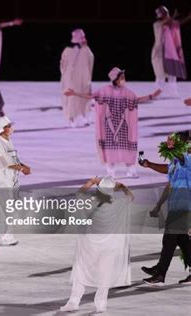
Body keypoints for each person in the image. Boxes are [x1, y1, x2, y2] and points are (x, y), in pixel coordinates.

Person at [65, 67, 161, 178]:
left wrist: (152, 96)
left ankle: (131, 169)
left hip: (123, 125)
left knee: (126, 147)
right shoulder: (105, 91)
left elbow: (136, 100)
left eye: (124, 78)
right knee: (110, 148)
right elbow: (92, 96)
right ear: (115, 79)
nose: (124, 80)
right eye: (122, 78)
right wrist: (75, 93)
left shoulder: (127, 92)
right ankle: (110, 172)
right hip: (109, 125)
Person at [61, 176, 133, 313]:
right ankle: (101, 304)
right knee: (104, 275)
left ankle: (74, 301)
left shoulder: (90, 202)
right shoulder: (118, 203)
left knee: (80, 272)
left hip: (90, 245)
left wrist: (91, 182)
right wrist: (123, 186)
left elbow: (79, 193)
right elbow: (131, 196)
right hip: (109, 246)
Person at [139, 132, 191, 285]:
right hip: (176, 205)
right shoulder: (177, 159)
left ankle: (160, 273)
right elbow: (168, 170)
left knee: (169, 239)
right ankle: (160, 271)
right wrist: (149, 165)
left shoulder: (187, 158)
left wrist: (174, 148)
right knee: (182, 240)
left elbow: (182, 160)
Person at [0, 116, 31, 246]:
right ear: (3, 129)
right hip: (1, 180)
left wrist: (23, 165)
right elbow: (4, 162)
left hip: (10, 180)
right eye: (8, 126)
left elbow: (13, 159)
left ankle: (7, 236)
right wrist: (22, 169)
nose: (11, 128)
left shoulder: (7, 141)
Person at [151, 6, 191, 98]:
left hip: (169, 52)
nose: (167, 16)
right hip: (159, 54)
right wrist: (174, 16)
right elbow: (168, 22)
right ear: (161, 16)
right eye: (166, 14)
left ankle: (173, 93)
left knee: (172, 73)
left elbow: (177, 23)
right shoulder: (157, 24)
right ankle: (158, 94)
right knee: (160, 75)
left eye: (167, 14)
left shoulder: (169, 24)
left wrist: (188, 18)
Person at [60, 28, 94, 128]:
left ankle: (84, 116)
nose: (84, 38)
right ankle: (71, 119)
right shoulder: (68, 50)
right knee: (71, 99)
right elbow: (63, 64)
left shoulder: (85, 50)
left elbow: (90, 60)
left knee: (84, 97)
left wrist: (85, 47)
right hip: (71, 80)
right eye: (82, 36)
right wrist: (67, 76)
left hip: (83, 79)